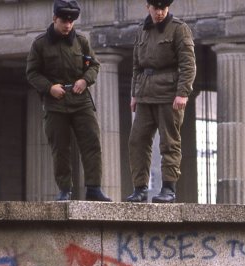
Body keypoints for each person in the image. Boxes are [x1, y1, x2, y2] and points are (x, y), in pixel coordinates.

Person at [26, 0, 112, 202]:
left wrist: (84, 80)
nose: (68, 25)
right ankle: (65, 189)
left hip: (80, 101)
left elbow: (94, 66)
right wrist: (49, 88)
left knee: (92, 143)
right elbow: (32, 73)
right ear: (55, 18)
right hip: (56, 103)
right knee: (61, 148)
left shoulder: (81, 42)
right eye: (64, 21)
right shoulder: (40, 44)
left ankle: (94, 188)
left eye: (71, 21)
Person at [125, 0, 196, 204]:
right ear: (147, 6)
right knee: (137, 140)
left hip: (168, 95)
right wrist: (134, 94)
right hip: (145, 94)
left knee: (169, 142)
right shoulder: (142, 30)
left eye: (163, 8)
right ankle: (139, 188)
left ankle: (169, 188)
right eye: (156, 8)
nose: (160, 12)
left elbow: (188, 65)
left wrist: (183, 93)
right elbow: (136, 66)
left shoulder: (179, 29)